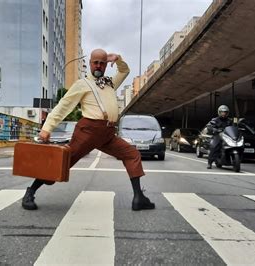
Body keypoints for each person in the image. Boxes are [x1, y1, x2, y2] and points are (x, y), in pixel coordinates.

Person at [22, 48, 155, 211]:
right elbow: (63, 106)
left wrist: (118, 59)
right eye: (95, 63)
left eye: (102, 63)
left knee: (132, 154)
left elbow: (124, 70)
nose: (98, 66)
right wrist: (47, 128)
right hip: (88, 131)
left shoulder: (109, 83)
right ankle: (30, 192)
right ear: (91, 64)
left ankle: (139, 198)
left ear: (106, 65)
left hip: (108, 133)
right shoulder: (82, 84)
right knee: (61, 163)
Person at [206, 105, 233, 169]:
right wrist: (214, 129)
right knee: (214, 146)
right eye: (222, 112)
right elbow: (210, 125)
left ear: (227, 113)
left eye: (225, 112)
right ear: (219, 112)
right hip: (218, 135)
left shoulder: (230, 120)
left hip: (228, 136)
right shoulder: (215, 120)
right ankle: (209, 163)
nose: (223, 113)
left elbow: (233, 127)